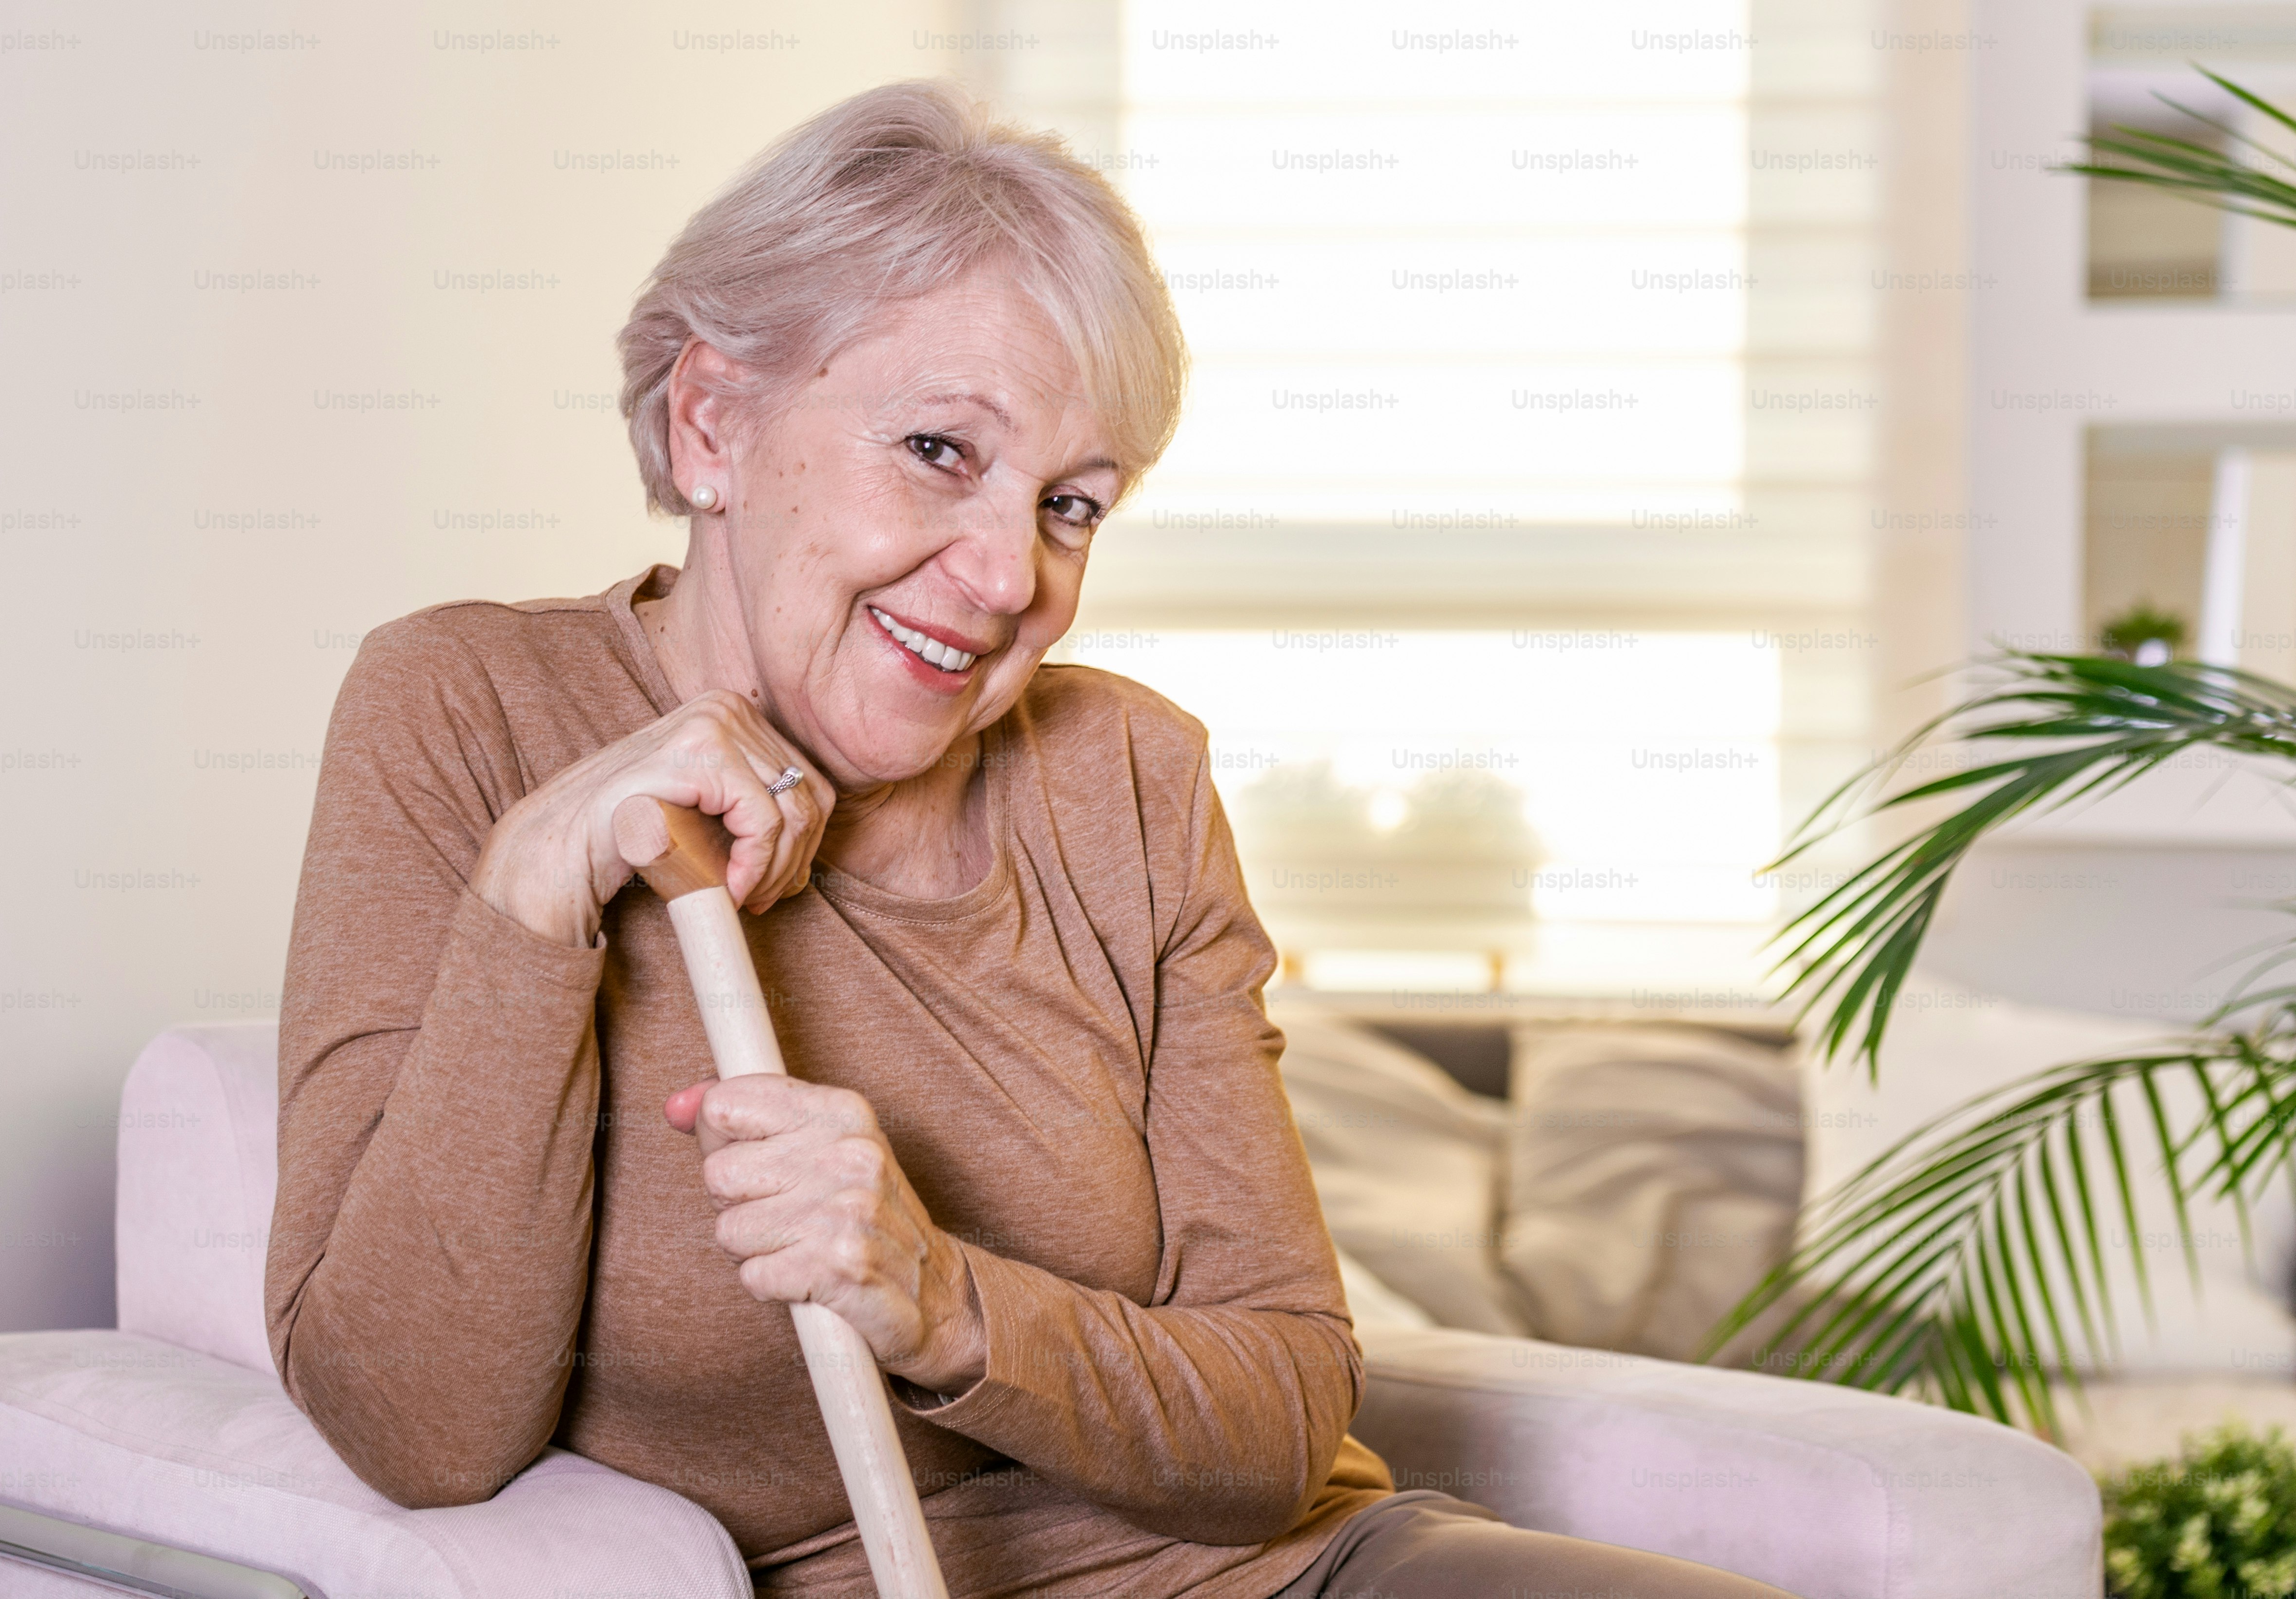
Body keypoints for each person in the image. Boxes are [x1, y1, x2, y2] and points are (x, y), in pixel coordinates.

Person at [266, 79, 1796, 1598]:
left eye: (1072, 504)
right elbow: (412, 1426)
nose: (1010, 575)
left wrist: (936, 1301)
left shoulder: (1124, 777)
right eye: (940, 449)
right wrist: (539, 887)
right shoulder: (469, 711)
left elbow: (1273, 1416)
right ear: (713, 420)